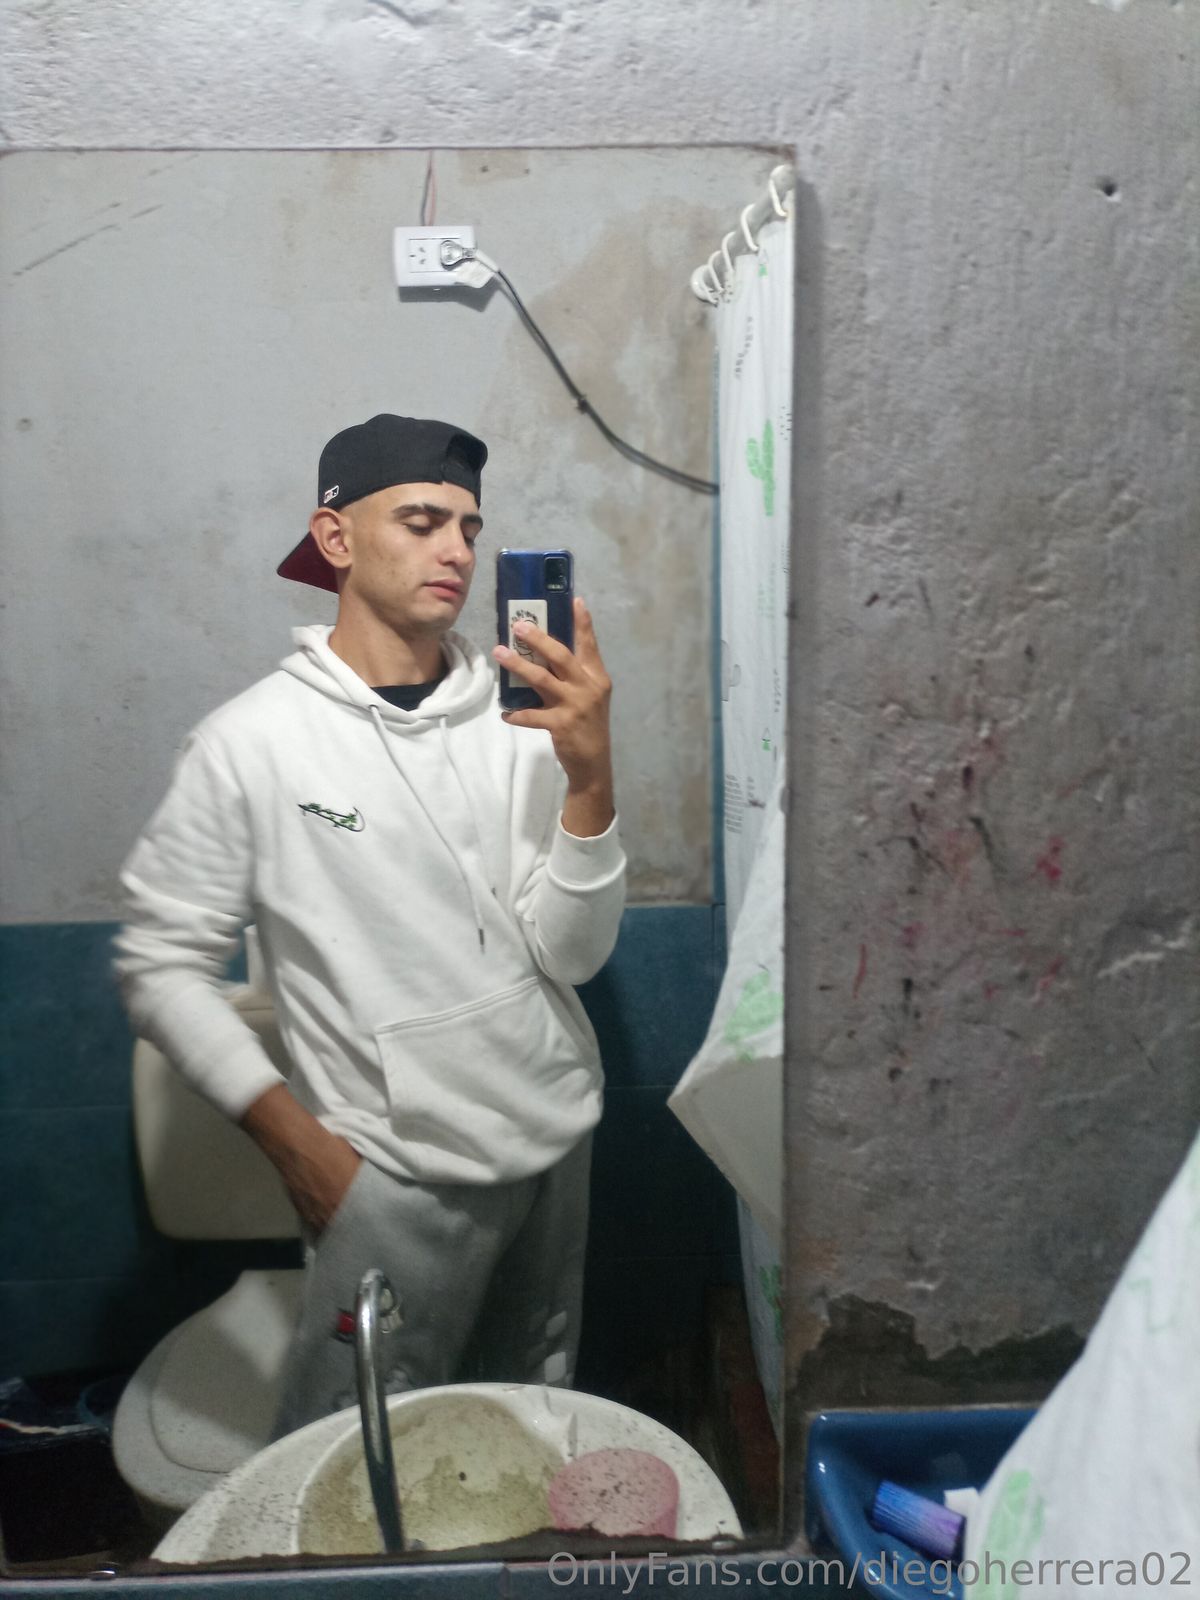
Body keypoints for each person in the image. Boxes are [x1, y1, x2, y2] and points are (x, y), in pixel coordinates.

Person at [114, 413, 626, 1438]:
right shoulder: (251, 744)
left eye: (470, 528)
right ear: (336, 537)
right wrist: (298, 1146)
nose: (457, 551)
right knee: (359, 1446)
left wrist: (590, 776)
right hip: (390, 1175)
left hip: (554, 1144)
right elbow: (159, 964)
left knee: (526, 1417)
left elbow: (570, 955)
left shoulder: (524, 722)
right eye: (423, 521)